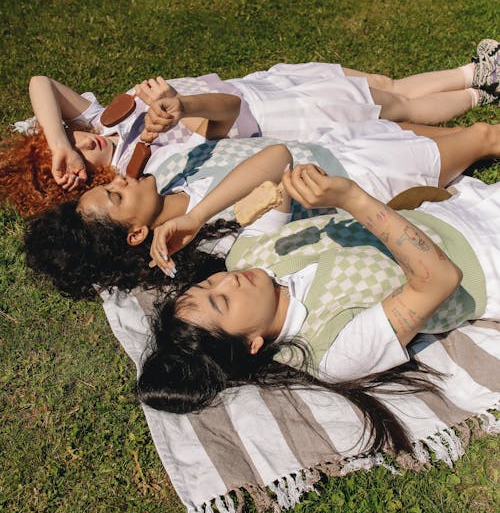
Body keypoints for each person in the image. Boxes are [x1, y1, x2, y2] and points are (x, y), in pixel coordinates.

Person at [136, 162, 500, 449]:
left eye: (209, 282)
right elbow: (440, 279)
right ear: (251, 344)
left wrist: (199, 216)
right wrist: (351, 199)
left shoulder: (248, 257)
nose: (228, 280)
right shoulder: (331, 347)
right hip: (489, 263)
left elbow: (277, 160)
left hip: (463, 205)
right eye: (223, 300)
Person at [24, 119, 500, 299]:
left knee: (466, 130)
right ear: (134, 233)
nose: (122, 179)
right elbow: (276, 162)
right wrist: (194, 217)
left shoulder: (170, 174)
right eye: (116, 195)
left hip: (341, 141)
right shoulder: (224, 232)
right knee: (483, 137)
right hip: (370, 175)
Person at [10, 38, 500, 200]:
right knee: (396, 108)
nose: (81, 157)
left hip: (261, 85)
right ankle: (481, 83)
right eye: (77, 176)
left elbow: (41, 83)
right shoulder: (140, 163)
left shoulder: (99, 124)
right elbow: (222, 123)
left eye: (67, 154)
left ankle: (476, 77)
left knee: (382, 83)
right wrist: (178, 104)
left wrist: (60, 142)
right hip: (270, 115)